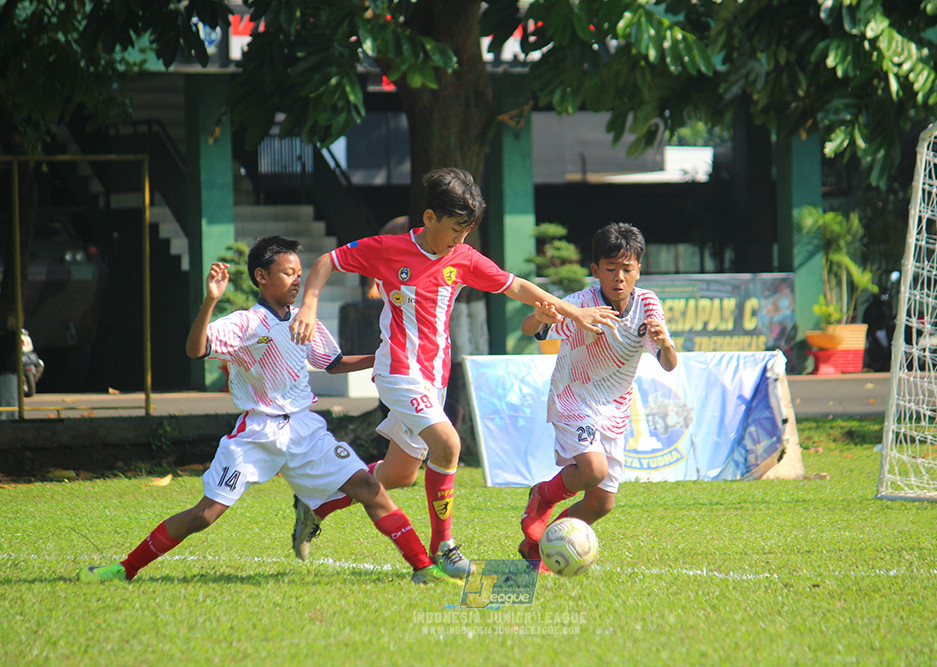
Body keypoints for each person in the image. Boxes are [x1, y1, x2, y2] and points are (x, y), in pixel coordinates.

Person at [287, 167, 619, 578]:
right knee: (448, 444)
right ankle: (443, 546)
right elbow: (325, 262)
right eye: (455, 230)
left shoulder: (462, 258)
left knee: (398, 475)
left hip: (433, 380)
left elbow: (518, 287)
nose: (460, 240)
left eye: (467, 232)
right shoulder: (389, 249)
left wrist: (573, 311)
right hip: (397, 373)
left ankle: (315, 503)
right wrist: (308, 305)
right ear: (429, 219)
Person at [77, 236, 455, 586]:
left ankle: (423, 567)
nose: (296, 281)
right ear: (261, 276)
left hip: (305, 429)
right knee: (203, 515)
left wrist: (383, 359)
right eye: (288, 273)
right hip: (257, 433)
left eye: (299, 274)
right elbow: (196, 349)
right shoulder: (245, 322)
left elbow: (334, 362)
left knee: (370, 488)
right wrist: (209, 302)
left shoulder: (303, 320)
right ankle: (122, 570)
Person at [518, 222, 678, 571]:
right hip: (573, 398)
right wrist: (540, 317)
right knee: (592, 469)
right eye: (610, 269)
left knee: (602, 503)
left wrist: (665, 344)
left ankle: (541, 548)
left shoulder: (648, 305)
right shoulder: (581, 304)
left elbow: (668, 363)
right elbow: (531, 329)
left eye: (627, 269)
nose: (619, 277)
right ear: (595, 271)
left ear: (639, 270)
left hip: (614, 409)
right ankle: (542, 496)